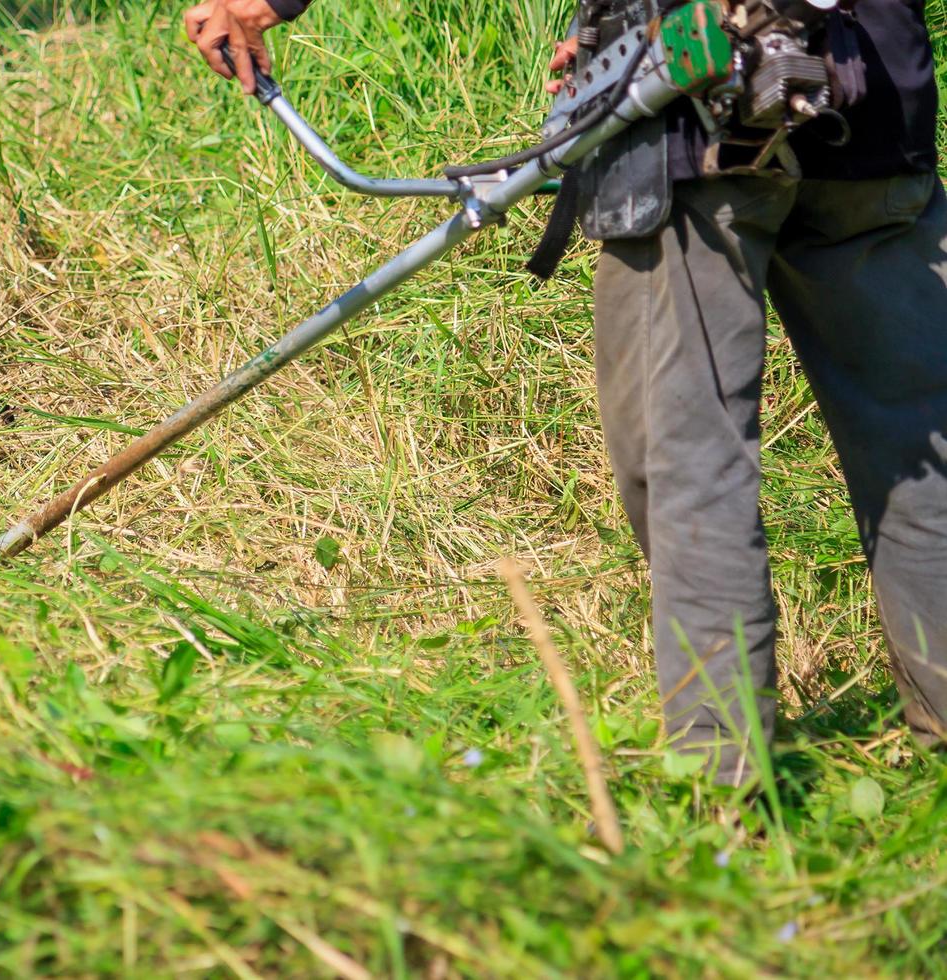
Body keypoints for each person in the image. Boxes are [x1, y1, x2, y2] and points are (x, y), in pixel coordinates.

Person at [183, 0, 947, 786]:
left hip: (701, 125)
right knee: (921, 447)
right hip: (875, 103)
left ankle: (725, 792)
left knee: (688, 462)